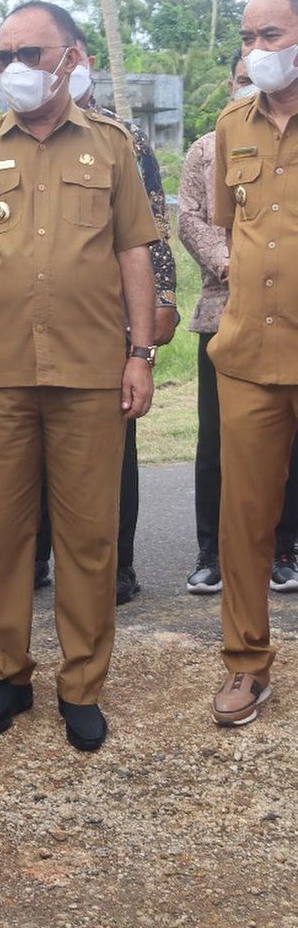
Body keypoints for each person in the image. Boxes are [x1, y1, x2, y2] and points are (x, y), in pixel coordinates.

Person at [0, 1, 159, 753]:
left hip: (91, 371)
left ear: (71, 57)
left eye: (29, 52)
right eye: (2, 57)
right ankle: (8, 674)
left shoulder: (114, 146)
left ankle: (82, 685)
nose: (13, 68)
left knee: (90, 536)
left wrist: (141, 353)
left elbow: (135, 254)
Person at [34, 25, 180, 604]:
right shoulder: (11, 136)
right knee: (35, 447)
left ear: (80, 63)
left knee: (114, 448)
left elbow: (153, 230)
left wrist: (163, 300)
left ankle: (117, 565)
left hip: (111, 314)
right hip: (38, 317)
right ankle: (36, 558)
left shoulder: (126, 138)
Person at [208, 0, 298, 727]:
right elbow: (227, 224)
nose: (255, 51)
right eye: (249, 38)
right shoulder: (232, 122)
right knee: (246, 519)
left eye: (270, 35)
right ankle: (246, 665)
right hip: (248, 351)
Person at [180, 54, 298, 597]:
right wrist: (233, 264)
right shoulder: (211, 144)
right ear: (230, 83)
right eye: (242, 75)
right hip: (227, 313)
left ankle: (284, 549)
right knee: (221, 443)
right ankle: (213, 552)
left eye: (269, 40)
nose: (252, 79)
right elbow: (198, 219)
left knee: (287, 452)